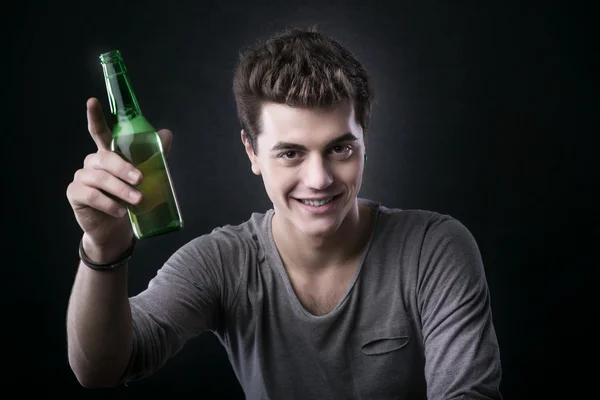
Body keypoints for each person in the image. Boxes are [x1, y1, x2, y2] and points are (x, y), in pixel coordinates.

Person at [65, 26, 503, 399]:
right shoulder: (223, 263)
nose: (319, 179)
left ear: (364, 141)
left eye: (340, 148)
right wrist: (102, 246)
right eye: (291, 153)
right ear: (251, 152)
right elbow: (103, 368)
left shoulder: (434, 248)